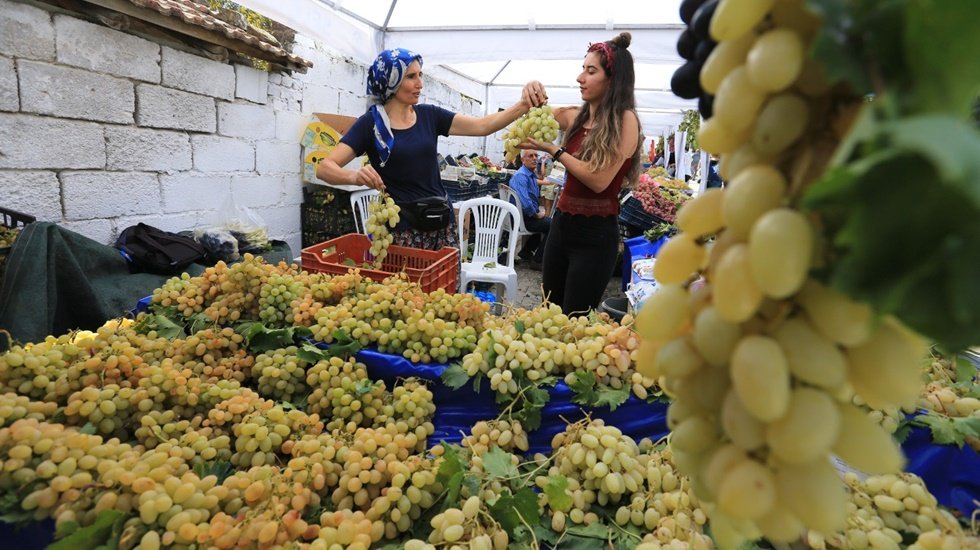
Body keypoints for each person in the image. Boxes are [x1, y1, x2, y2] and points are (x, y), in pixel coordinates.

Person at [316, 48, 545, 251]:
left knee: (442, 295)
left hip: (441, 225)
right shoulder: (370, 125)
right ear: (391, 81)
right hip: (401, 231)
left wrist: (523, 105)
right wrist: (355, 177)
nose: (420, 83)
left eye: (421, 75)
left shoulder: (429, 116)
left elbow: (482, 126)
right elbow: (325, 168)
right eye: (411, 77)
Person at [519, 32, 642, 315]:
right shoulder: (577, 116)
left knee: (575, 318)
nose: (580, 78)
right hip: (562, 226)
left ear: (612, 79)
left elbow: (599, 181)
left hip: (596, 236)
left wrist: (554, 150)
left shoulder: (626, 121)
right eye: (582, 69)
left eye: (591, 71)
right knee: (549, 311)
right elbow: (531, 110)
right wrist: (531, 89)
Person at [507, 150, 551, 269]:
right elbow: (525, 203)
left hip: (523, 215)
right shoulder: (521, 176)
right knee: (554, 225)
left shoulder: (529, 175)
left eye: (536, 155)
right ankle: (538, 260)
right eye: (530, 156)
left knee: (547, 221)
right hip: (522, 217)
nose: (535, 158)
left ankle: (526, 251)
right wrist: (536, 214)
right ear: (522, 160)